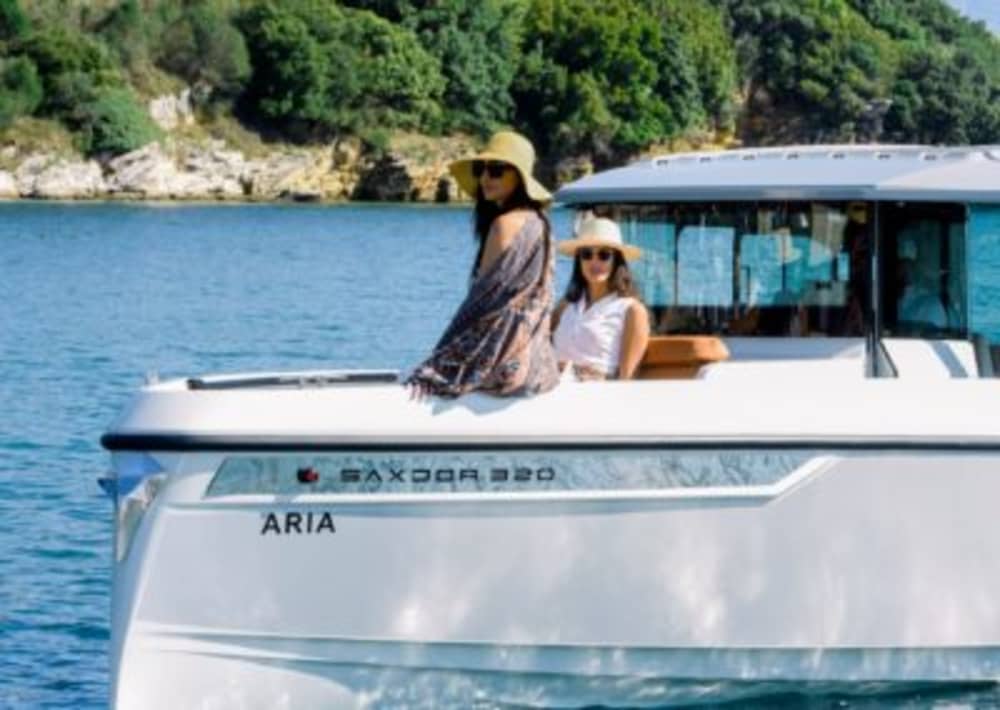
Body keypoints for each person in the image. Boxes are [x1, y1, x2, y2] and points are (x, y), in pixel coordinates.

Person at [406, 131, 559, 398]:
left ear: (519, 177)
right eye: (481, 169)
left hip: (500, 359)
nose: (486, 178)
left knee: (425, 377)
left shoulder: (504, 224)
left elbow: (481, 304)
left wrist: (437, 359)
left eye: (496, 170)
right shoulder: (541, 223)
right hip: (538, 362)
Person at [551, 217, 650, 380]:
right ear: (579, 261)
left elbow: (626, 379)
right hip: (551, 389)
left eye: (604, 255)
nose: (594, 262)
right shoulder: (564, 307)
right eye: (587, 254)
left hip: (597, 393)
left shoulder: (632, 311)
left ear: (616, 261)